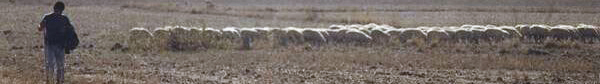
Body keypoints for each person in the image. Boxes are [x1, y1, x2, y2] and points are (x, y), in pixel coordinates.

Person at [38, 1, 79, 84]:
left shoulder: (55, 18)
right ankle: (52, 81)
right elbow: (40, 28)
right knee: (54, 64)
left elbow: (70, 30)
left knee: (56, 64)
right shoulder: (50, 18)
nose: (58, 12)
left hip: (58, 45)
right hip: (52, 45)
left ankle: (56, 81)